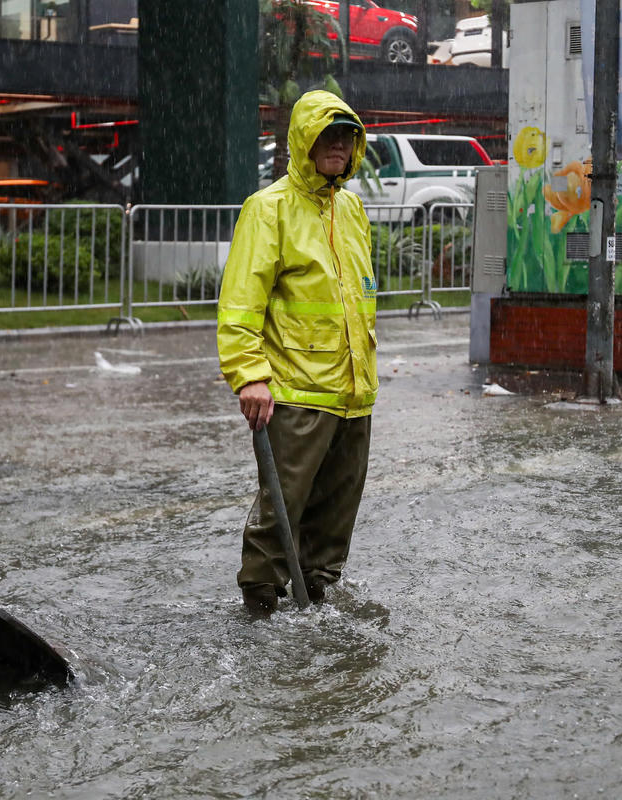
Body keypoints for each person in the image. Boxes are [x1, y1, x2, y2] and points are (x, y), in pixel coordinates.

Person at [217, 90, 378, 615]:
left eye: (346, 136)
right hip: (295, 392)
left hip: (352, 394)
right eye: (327, 135)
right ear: (303, 140)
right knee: (281, 507)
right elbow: (241, 301)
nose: (338, 145)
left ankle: (317, 593)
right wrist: (249, 375)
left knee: (336, 512)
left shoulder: (351, 208)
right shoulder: (269, 209)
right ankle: (261, 601)